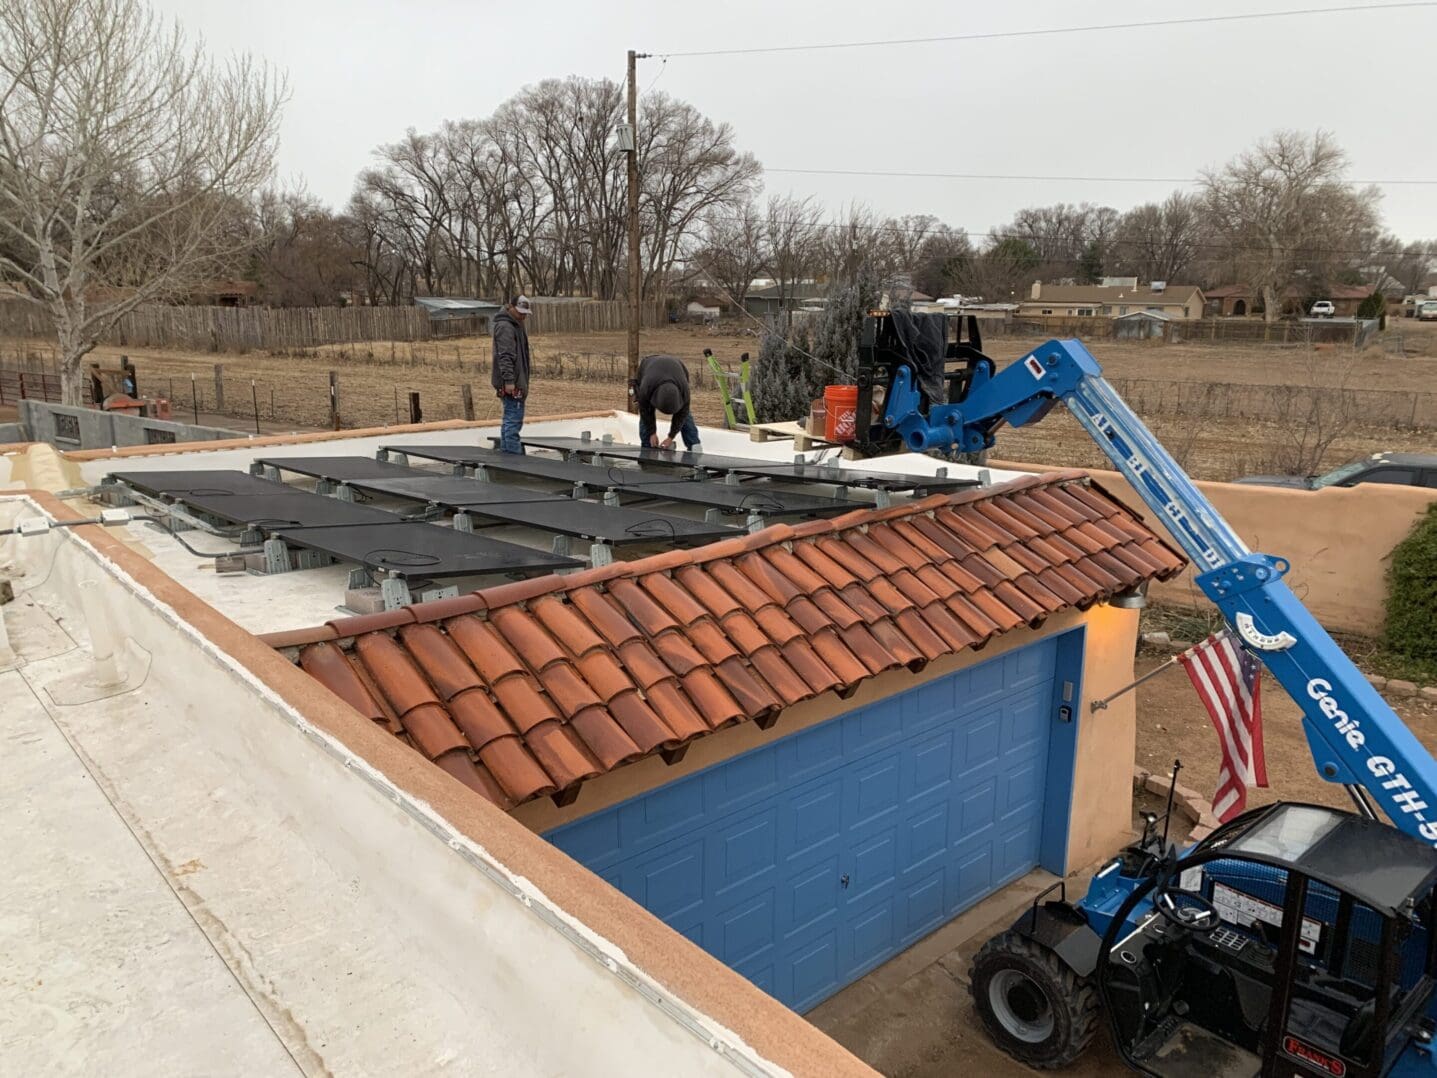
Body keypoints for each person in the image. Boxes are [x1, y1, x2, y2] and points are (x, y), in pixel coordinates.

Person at [633, 353, 701, 451]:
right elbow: (645, 412)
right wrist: (652, 433)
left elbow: (682, 414)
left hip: (677, 367)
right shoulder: (646, 388)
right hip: (649, 368)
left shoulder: (684, 391)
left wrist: (671, 437)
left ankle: (694, 447)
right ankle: (647, 447)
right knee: (646, 414)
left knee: (685, 415)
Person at [491, 295, 532, 453]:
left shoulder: (515, 324)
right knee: (513, 422)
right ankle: (513, 462)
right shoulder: (506, 327)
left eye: (525, 313)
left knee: (510, 420)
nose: (523, 316)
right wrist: (509, 381)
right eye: (521, 312)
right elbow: (505, 356)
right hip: (512, 382)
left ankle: (507, 457)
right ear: (511, 307)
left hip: (515, 380)